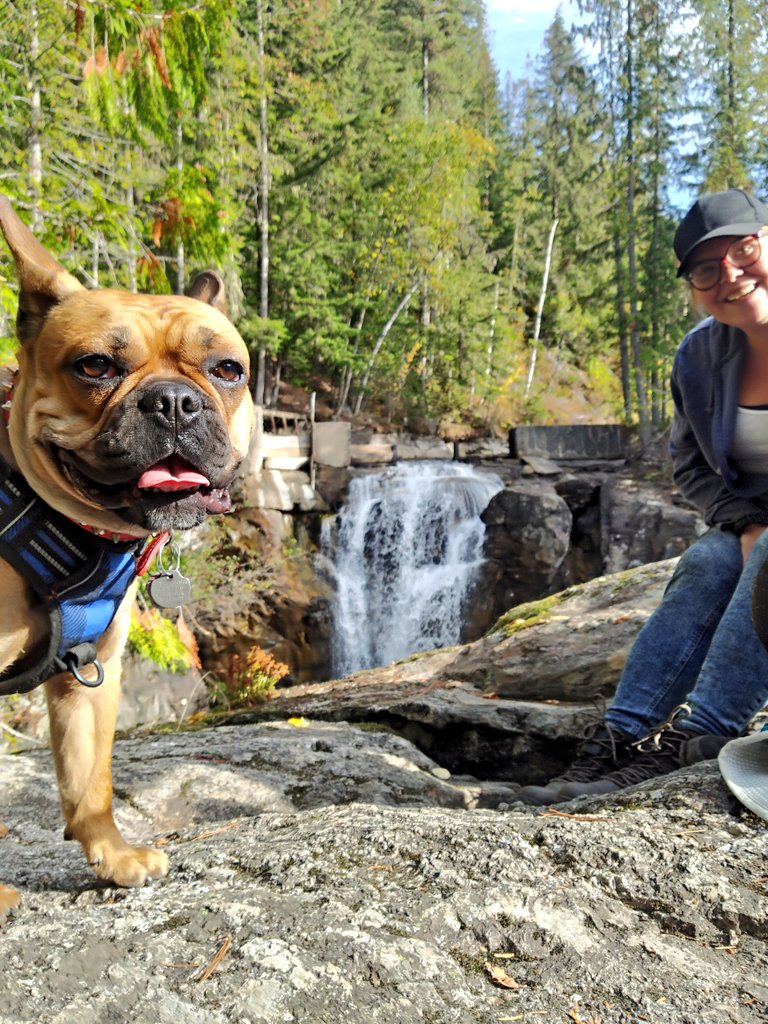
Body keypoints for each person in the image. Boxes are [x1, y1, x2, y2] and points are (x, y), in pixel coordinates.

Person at [519, 187, 768, 806]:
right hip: (754, 523)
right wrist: (742, 524)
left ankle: (705, 736)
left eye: (745, 249)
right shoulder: (698, 358)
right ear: (692, 288)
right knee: (709, 560)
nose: (730, 275)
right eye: (706, 269)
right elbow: (689, 463)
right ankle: (620, 740)